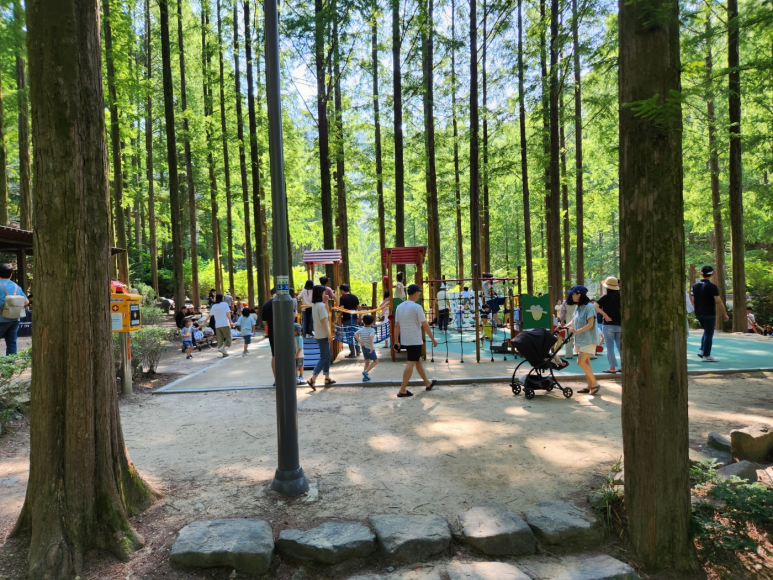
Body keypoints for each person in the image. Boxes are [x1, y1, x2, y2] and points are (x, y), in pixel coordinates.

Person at [393, 284, 438, 398]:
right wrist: (432, 339)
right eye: (419, 292)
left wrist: (396, 341)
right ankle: (402, 389)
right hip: (414, 339)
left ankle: (427, 383)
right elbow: (425, 324)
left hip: (405, 339)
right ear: (415, 293)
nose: (419, 294)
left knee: (418, 361)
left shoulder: (399, 307)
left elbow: (397, 325)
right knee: (411, 363)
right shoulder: (417, 307)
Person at [562, 285, 600, 395]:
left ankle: (595, 383)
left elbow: (590, 324)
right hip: (581, 339)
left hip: (588, 339)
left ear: (579, 295)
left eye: (573, 294)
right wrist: (564, 327)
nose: (571, 296)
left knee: (580, 362)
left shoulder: (589, 307)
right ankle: (589, 386)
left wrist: (577, 331)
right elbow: (574, 321)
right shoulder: (578, 307)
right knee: (586, 362)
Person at [691, 265, 728, 362]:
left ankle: (702, 350)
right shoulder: (712, 286)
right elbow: (718, 301)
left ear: (701, 274)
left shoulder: (694, 286)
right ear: (712, 274)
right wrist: (724, 313)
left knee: (706, 331)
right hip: (709, 313)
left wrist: (694, 310)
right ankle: (706, 355)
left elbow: (692, 300)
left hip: (698, 313)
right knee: (709, 333)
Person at [308, 285, 335, 390]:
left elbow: (326, 314)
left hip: (319, 334)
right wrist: (328, 334)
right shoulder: (320, 306)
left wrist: (326, 302)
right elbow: (324, 320)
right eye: (324, 292)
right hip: (323, 334)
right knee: (324, 357)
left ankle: (327, 378)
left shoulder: (315, 305)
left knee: (327, 356)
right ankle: (313, 378)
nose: (325, 294)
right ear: (320, 293)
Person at [596, 276, 621, 373]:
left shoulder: (605, 297)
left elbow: (595, 306)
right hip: (620, 324)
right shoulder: (621, 296)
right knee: (620, 347)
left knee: (610, 347)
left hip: (608, 324)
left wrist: (605, 315)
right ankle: (624, 366)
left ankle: (612, 368)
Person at [339, 284, 361, 358]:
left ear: (342, 290)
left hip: (346, 318)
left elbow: (342, 308)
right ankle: (358, 350)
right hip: (354, 317)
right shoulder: (354, 296)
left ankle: (352, 352)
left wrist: (338, 311)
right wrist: (360, 316)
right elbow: (359, 307)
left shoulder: (342, 298)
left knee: (349, 336)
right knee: (356, 334)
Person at [355, 314, 379, 381]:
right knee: (376, 361)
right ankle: (366, 372)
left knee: (367, 361)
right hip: (369, 348)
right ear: (372, 322)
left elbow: (355, 334)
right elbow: (370, 337)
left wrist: (361, 342)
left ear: (363, 321)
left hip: (364, 347)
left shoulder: (361, 329)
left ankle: (365, 377)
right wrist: (371, 348)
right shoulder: (372, 330)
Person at [262, 289, 277, 378]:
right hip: (286, 333)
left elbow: (264, 322)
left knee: (274, 355)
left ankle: (276, 378)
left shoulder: (266, 305)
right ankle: (291, 377)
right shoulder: (286, 302)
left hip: (272, 332)